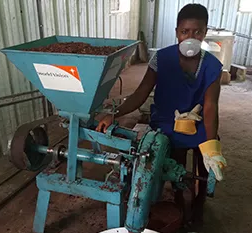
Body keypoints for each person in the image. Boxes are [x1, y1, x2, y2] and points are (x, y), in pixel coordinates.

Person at [96, 3, 227, 228]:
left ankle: (199, 201)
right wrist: (114, 115)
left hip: (197, 121)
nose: (190, 37)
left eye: (197, 32)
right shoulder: (161, 59)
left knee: (206, 153)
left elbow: (210, 107)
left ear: (205, 32)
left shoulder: (213, 66)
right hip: (166, 120)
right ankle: (179, 199)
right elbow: (141, 93)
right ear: (177, 32)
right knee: (169, 154)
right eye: (185, 31)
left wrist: (211, 144)